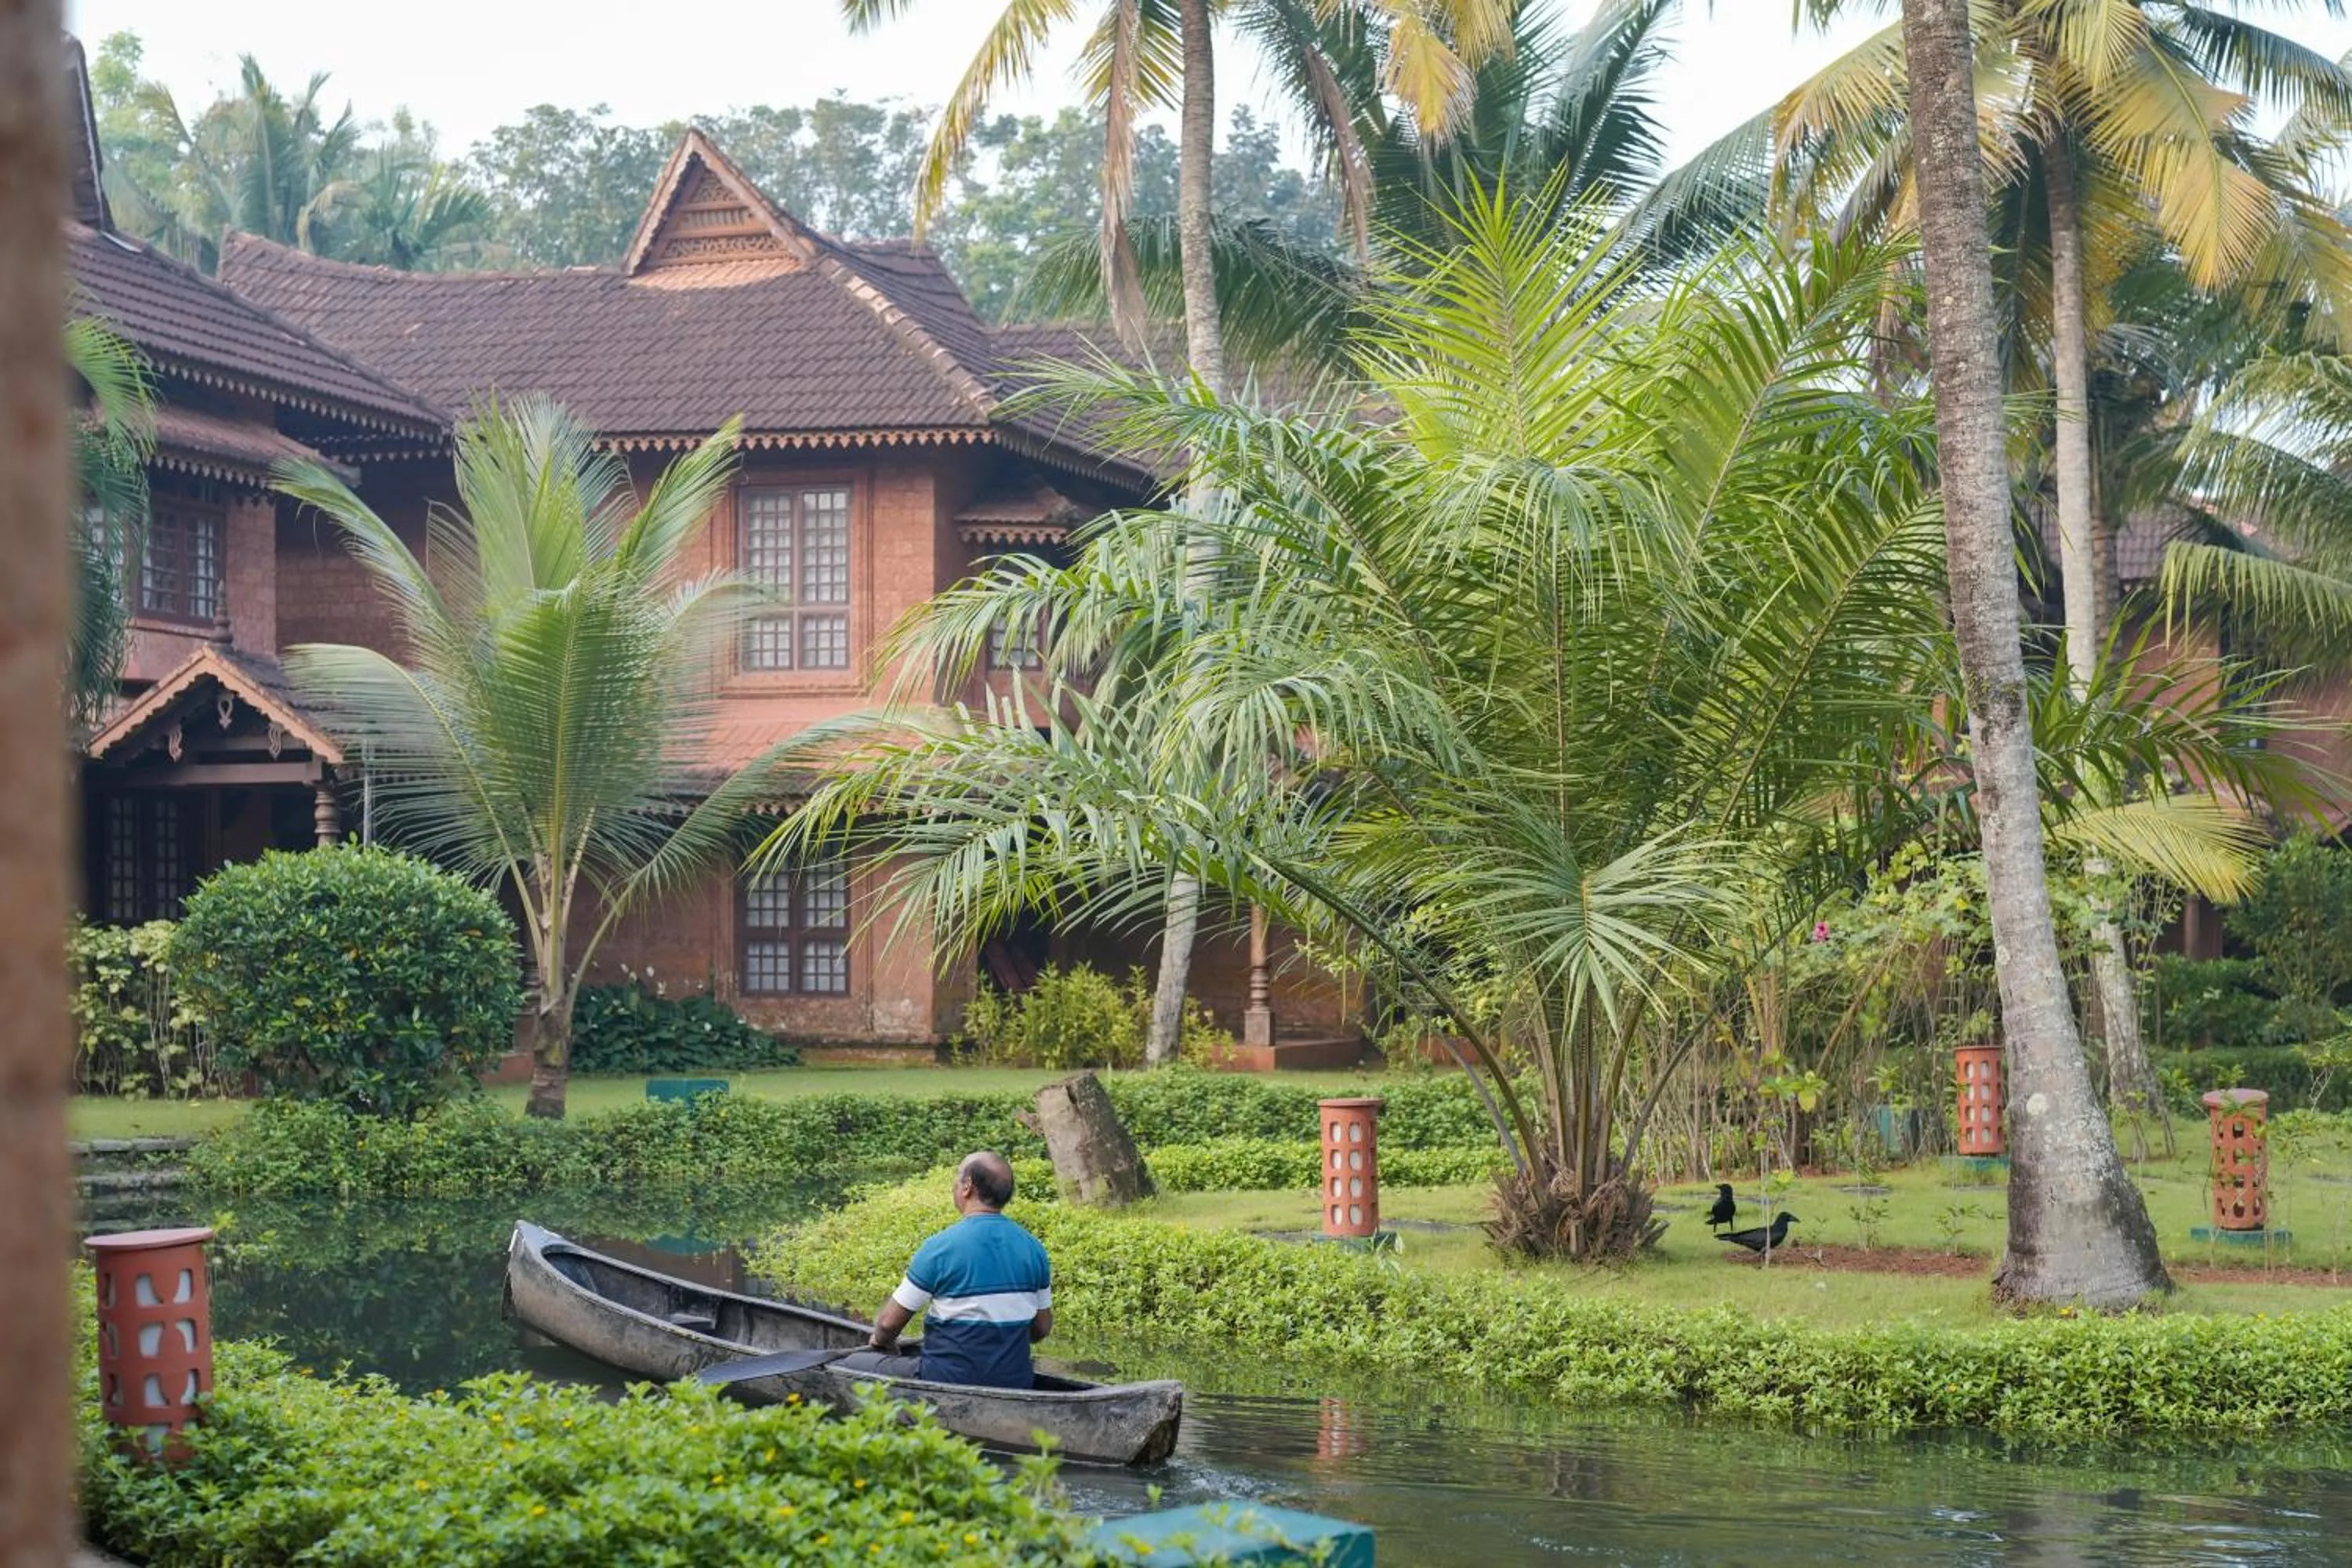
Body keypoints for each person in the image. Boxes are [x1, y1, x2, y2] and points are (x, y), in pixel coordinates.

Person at [855, 1150, 1051, 1389]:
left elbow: (887, 1325)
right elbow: (1041, 1329)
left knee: (854, 1363)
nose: (954, 1186)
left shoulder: (940, 1248)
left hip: (945, 1379)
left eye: (957, 1178)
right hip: (1015, 1381)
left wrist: (880, 1342)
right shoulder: (1034, 1248)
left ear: (967, 1186)